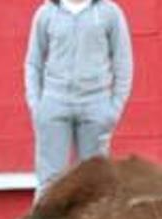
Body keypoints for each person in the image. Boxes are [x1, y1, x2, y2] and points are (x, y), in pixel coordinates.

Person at [24, 0, 133, 198]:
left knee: (95, 182)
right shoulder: (46, 13)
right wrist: (37, 106)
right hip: (54, 103)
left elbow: (123, 62)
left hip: (95, 103)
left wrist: (113, 109)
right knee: (49, 182)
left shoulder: (109, 13)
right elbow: (33, 63)